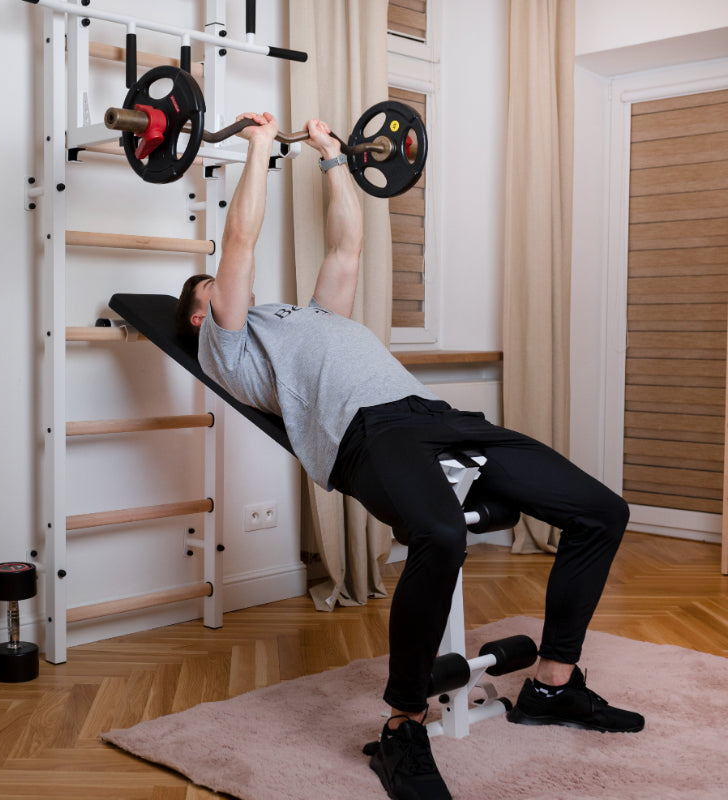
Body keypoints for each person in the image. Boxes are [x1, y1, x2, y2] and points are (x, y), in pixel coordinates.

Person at [175, 111, 644, 800]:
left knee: (602, 511)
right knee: (440, 534)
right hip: (367, 435)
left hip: (435, 416)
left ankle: (553, 686)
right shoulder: (228, 344)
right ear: (199, 313)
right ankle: (401, 724)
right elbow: (239, 242)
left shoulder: (311, 319)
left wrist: (333, 157)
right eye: (210, 285)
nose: (227, 284)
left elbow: (346, 250)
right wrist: (255, 148)